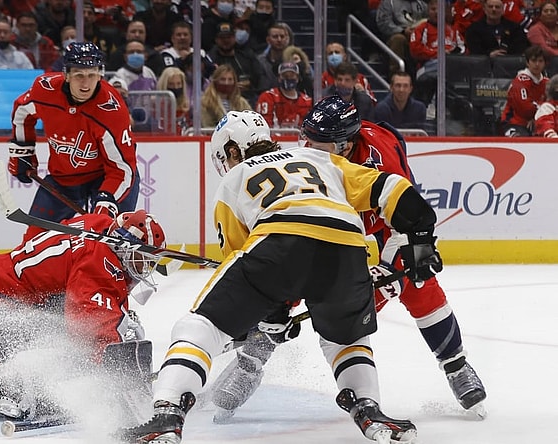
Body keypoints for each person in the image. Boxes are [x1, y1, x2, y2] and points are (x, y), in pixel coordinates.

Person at [119, 103, 443, 444]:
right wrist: (420, 241)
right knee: (344, 339)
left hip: (278, 240)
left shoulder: (234, 179)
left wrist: (272, 316)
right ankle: (369, 409)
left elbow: (248, 274)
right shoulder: (319, 159)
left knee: (200, 325)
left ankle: (167, 414)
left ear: (231, 150)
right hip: (347, 247)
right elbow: (393, 189)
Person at [208, 97, 487, 424]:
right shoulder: (309, 157)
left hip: (381, 221)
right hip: (328, 224)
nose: (306, 147)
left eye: (316, 144)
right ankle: (251, 362)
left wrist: (388, 273)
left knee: (417, 284)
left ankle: (455, 365)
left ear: (344, 146)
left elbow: (405, 221)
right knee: (283, 283)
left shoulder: (379, 160)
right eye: (305, 138)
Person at [0, 210, 166, 421]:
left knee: (94, 325)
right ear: (124, 247)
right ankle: (3, 383)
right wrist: (114, 375)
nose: (145, 267)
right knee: (75, 347)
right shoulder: (98, 264)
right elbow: (92, 324)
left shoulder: (100, 226)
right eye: (141, 258)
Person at [8, 42, 139, 223]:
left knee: (112, 241)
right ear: (66, 75)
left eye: (91, 75)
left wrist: (107, 199)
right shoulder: (45, 90)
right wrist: (23, 150)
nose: (85, 83)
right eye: (79, 75)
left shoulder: (111, 110)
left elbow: (123, 169)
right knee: (34, 239)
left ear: (100, 74)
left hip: (107, 178)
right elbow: (22, 112)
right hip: (63, 178)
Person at [500, 45, 547, 136]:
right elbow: (526, 109)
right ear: (527, 63)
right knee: (519, 140)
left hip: (536, 124)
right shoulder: (519, 81)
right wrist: (542, 109)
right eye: (533, 61)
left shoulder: (547, 82)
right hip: (513, 123)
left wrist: (536, 118)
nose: (537, 64)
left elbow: (552, 105)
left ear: (545, 63)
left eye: (540, 61)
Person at [375, 0, 428, 75]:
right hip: (396, 35)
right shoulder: (388, 2)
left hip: (418, 34)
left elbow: (429, 20)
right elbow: (383, 23)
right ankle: (395, 75)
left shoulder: (421, 3)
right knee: (398, 39)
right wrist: (403, 31)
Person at [255, 61, 313, 128]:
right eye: (285, 76)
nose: (288, 78)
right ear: (279, 78)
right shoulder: (268, 97)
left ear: (297, 78)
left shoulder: (306, 101)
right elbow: (264, 125)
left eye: (292, 75)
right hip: (274, 137)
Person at [200, 64, 252, 128]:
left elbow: (250, 121)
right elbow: (207, 125)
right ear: (215, 81)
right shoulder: (205, 102)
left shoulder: (241, 102)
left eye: (230, 79)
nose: (226, 83)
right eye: (223, 79)